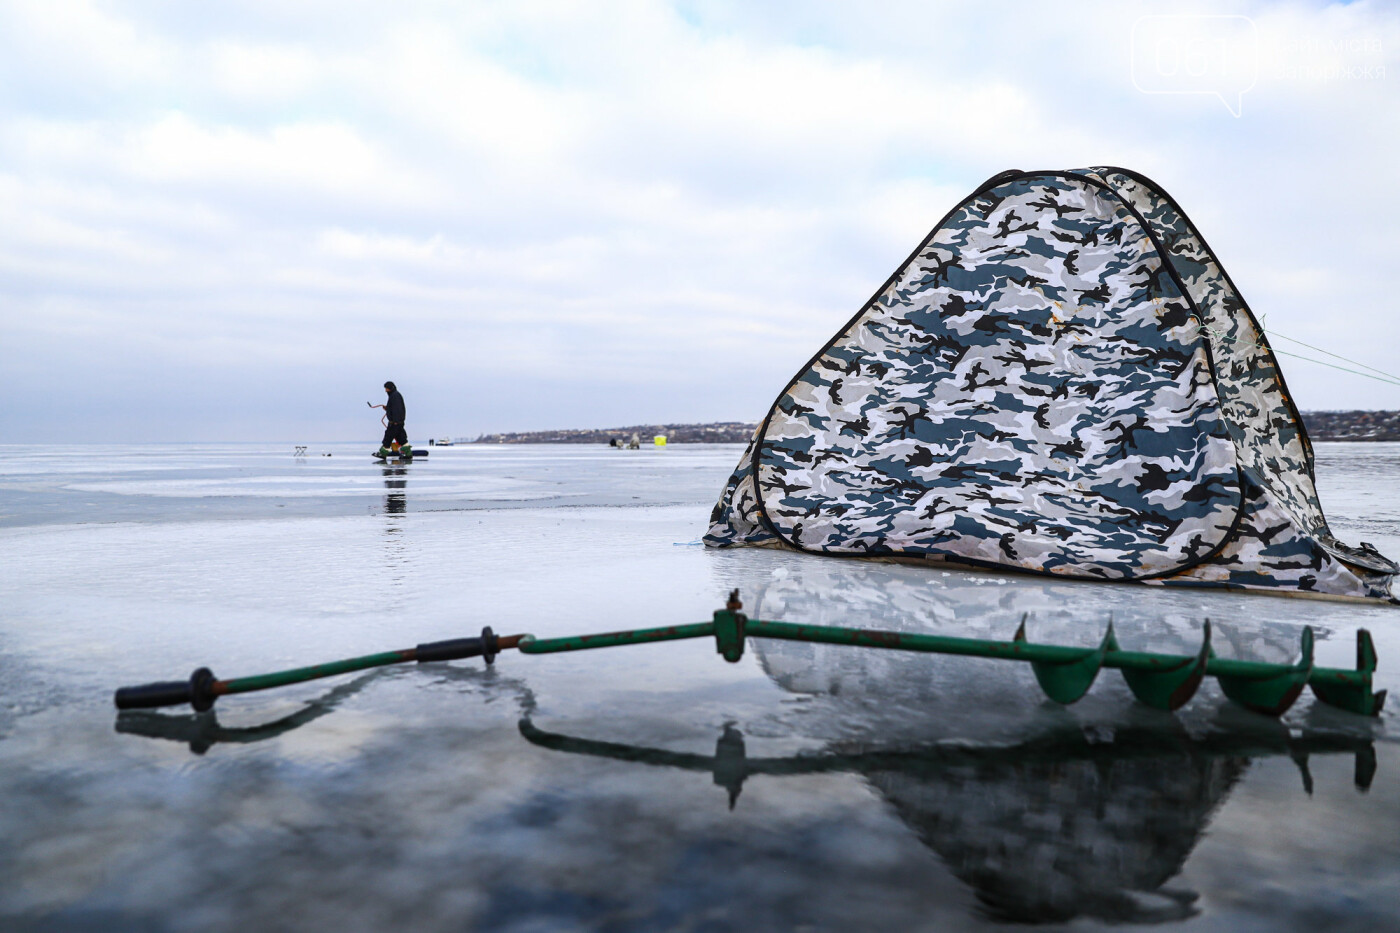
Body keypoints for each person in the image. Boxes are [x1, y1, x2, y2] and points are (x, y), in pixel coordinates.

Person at [371, 381, 408, 450]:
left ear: (391, 388)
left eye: (386, 388)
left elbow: (398, 409)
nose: (385, 390)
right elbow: (394, 408)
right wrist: (387, 408)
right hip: (398, 422)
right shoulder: (395, 395)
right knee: (401, 438)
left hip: (395, 422)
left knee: (388, 438)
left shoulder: (395, 396)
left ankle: (383, 453)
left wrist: (396, 421)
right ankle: (408, 453)